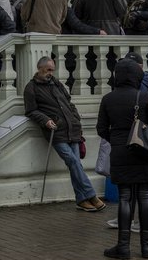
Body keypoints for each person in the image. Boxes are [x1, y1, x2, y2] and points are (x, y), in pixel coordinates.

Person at [97, 58, 148, 259]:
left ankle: (123, 246)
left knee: (125, 197)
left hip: (120, 152)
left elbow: (101, 128)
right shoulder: (144, 97)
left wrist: (118, 140)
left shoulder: (108, 99)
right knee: (145, 195)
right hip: (143, 152)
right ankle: (146, 246)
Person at [24, 57, 106, 211]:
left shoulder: (57, 83)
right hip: (56, 132)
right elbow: (31, 111)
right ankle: (91, 195)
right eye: (48, 70)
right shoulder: (31, 87)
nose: (51, 73)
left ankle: (81, 200)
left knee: (75, 164)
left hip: (72, 128)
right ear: (39, 68)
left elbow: (69, 102)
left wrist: (75, 119)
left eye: (52, 70)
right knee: (73, 162)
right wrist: (46, 120)